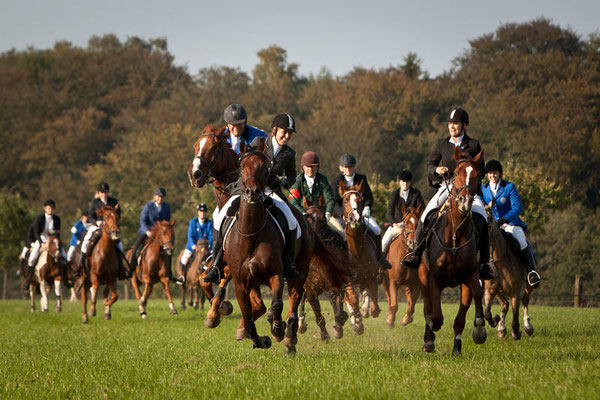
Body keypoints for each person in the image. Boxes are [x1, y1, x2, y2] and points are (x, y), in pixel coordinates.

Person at [203, 113, 305, 283]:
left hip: (271, 191)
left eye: (290, 133)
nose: (286, 136)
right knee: (218, 218)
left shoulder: (289, 153)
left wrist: (284, 181)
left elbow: (292, 176)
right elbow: (245, 161)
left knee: (292, 221)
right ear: (275, 130)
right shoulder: (259, 142)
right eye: (284, 132)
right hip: (248, 189)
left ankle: (289, 265)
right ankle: (215, 264)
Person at [401, 108, 493, 280]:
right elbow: (430, 165)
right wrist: (436, 169)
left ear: (464, 125)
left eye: (456, 124)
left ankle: (485, 264)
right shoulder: (441, 144)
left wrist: (469, 182)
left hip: (468, 189)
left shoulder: (474, 145)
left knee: (482, 218)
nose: (452, 127)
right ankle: (415, 255)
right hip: (447, 186)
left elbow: (480, 171)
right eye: (450, 124)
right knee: (426, 215)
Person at [481, 160, 541, 286]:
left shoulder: (509, 187)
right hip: (491, 226)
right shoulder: (482, 190)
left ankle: (532, 272)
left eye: (495, 173)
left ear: (500, 174)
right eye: (490, 173)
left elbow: (517, 207)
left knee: (521, 239)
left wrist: (505, 218)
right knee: (478, 242)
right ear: (487, 174)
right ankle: (479, 273)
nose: (493, 175)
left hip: (509, 224)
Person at [332, 153, 392, 270]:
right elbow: (334, 201)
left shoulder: (362, 178)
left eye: (350, 167)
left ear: (354, 167)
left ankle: (380, 258)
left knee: (376, 230)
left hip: (360, 213)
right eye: (346, 167)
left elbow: (369, 196)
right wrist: (342, 214)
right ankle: (334, 262)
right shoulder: (336, 180)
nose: (348, 169)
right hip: (342, 215)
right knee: (333, 233)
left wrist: (367, 208)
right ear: (341, 168)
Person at [75, 182, 130, 279]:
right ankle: (80, 265)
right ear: (99, 193)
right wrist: (97, 222)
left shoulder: (114, 202)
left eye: (105, 192)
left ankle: (121, 268)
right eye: (102, 192)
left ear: (108, 193)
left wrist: (112, 222)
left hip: (110, 228)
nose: (103, 194)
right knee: (87, 240)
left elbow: (119, 215)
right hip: (96, 226)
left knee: (119, 244)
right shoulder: (94, 202)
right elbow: (90, 217)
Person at [128, 187, 182, 284]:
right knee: (136, 249)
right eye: (158, 197)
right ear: (154, 197)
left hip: (160, 235)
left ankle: (169, 274)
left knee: (168, 251)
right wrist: (147, 231)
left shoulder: (167, 207)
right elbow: (142, 221)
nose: (160, 199)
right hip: (147, 232)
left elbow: (166, 222)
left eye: (161, 197)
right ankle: (129, 271)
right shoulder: (148, 206)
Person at [289, 151, 345, 233]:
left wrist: (328, 212)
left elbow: (330, 199)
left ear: (317, 168)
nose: (310, 169)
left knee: (342, 232)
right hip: (302, 214)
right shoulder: (297, 180)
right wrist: (303, 212)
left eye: (313, 167)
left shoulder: (323, 179)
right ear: (303, 167)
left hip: (321, 214)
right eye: (308, 167)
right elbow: (294, 201)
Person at [25, 200, 68, 288]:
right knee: (31, 259)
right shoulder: (39, 218)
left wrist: (55, 241)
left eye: (52, 208)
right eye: (48, 208)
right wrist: (42, 243)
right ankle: (28, 280)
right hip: (42, 239)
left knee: (65, 257)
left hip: (53, 241)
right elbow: (36, 233)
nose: (50, 210)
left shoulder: (57, 219)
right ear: (45, 209)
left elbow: (58, 232)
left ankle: (66, 279)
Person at [382, 170, 425, 255]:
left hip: (413, 226)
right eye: (403, 181)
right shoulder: (395, 194)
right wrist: (395, 226)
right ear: (399, 182)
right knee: (383, 244)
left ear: (410, 182)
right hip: (397, 225)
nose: (405, 184)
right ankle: (381, 264)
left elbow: (422, 211)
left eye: (407, 182)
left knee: (425, 243)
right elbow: (389, 213)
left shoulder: (416, 194)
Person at [179, 203, 214, 283]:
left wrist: (209, 245)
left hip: (206, 247)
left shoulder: (209, 223)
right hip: (193, 246)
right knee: (184, 259)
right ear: (198, 212)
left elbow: (211, 236)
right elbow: (190, 235)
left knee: (214, 259)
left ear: (206, 212)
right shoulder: (192, 222)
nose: (202, 213)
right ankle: (182, 275)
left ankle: (213, 276)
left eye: (204, 211)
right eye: (201, 211)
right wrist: (193, 245)